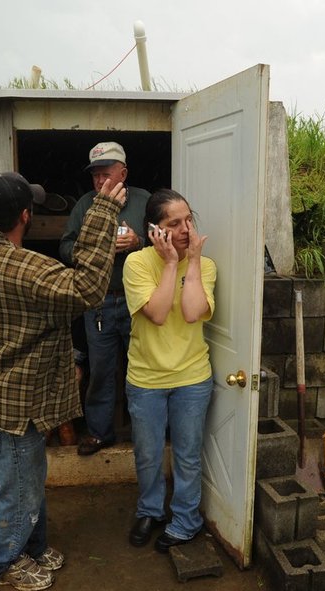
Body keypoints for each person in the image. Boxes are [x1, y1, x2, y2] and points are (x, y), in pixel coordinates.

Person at [0, 171, 125, 590]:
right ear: (26, 215)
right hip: (7, 408)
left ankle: (32, 548)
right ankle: (5, 563)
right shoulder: (23, 268)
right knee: (18, 491)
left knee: (29, 480)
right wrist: (103, 212)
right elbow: (87, 288)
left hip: (2, 399)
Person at [122, 189, 216, 552]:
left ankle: (186, 519)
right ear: (154, 230)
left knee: (188, 454)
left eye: (188, 220)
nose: (184, 229)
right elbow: (158, 314)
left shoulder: (205, 266)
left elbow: (192, 312)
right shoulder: (137, 264)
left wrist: (191, 262)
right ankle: (149, 510)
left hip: (192, 377)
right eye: (173, 223)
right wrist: (172, 264)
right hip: (146, 378)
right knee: (147, 453)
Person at [59, 142, 150, 456]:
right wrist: (95, 250)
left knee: (141, 369)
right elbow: (65, 248)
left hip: (139, 302)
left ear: (122, 172)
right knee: (100, 370)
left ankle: (145, 433)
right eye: (95, 175)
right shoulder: (85, 205)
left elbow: (164, 244)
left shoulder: (144, 201)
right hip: (97, 303)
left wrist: (138, 242)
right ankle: (99, 432)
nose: (100, 181)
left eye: (106, 174)